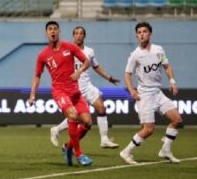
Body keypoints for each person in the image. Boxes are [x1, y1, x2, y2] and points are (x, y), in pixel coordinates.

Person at [28, 21, 93, 166]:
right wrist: (33, 94)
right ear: (46, 33)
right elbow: (37, 75)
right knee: (73, 115)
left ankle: (68, 147)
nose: (53, 31)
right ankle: (79, 154)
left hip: (75, 92)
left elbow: (86, 61)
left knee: (88, 123)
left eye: (55, 29)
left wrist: (78, 71)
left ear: (59, 31)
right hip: (60, 92)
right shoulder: (43, 55)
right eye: (50, 29)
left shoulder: (70, 47)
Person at [120, 22, 182, 164]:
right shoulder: (135, 55)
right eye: (139, 32)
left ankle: (165, 150)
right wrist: (132, 90)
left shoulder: (158, 50)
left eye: (144, 31)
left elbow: (167, 66)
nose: (142, 34)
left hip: (158, 93)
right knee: (148, 129)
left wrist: (172, 81)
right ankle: (126, 152)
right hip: (145, 96)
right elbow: (127, 74)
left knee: (177, 120)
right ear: (136, 36)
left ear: (150, 34)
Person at [50, 26, 120, 149]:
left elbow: (96, 67)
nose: (78, 35)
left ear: (84, 36)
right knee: (78, 118)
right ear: (73, 35)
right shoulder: (66, 50)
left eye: (81, 33)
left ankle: (104, 139)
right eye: (76, 33)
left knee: (101, 108)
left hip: (87, 86)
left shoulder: (90, 51)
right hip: (74, 89)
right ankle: (57, 130)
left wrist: (109, 77)